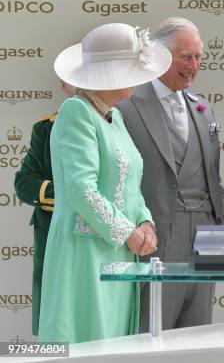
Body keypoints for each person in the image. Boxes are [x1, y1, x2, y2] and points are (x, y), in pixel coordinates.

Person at [38, 23, 170, 343]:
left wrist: (145, 222)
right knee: (88, 338)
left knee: (113, 341)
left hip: (116, 251)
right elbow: (82, 189)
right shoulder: (77, 111)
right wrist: (128, 233)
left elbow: (130, 185)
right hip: (84, 253)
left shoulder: (115, 116)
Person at [118, 17, 224, 331]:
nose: (194, 65)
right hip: (158, 234)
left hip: (207, 238)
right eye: (186, 56)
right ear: (161, 55)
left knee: (198, 332)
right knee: (153, 332)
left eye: (198, 57)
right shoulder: (127, 105)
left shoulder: (204, 109)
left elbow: (214, 181)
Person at [14, 81, 73, 336]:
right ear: (63, 84)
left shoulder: (119, 124)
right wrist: (76, 196)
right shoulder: (45, 129)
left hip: (104, 238)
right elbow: (25, 184)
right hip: (52, 232)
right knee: (55, 329)